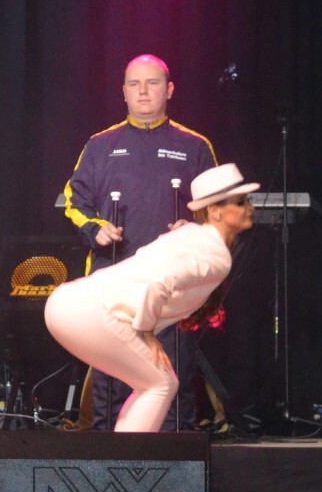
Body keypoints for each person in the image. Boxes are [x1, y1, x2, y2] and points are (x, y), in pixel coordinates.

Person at [62, 54, 217, 430]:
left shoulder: (194, 145)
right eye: (134, 84)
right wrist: (95, 228)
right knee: (111, 383)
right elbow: (73, 200)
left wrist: (194, 227)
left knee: (172, 378)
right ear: (124, 92)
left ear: (170, 90)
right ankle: (108, 458)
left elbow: (219, 211)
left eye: (152, 83)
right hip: (114, 280)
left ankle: (176, 460)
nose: (143, 91)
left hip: (174, 285)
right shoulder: (100, 145)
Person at [45, 164, 255, 432]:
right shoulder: (215, 255)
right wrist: (146, 332)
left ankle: (123, 453)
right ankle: (128, 457)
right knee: (162, 384)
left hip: (68, 303)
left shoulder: (191, 234)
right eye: (241, 202)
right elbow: (159, 282)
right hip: (95, 312)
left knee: (152, 383)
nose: (250, 207)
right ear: (215, 211)